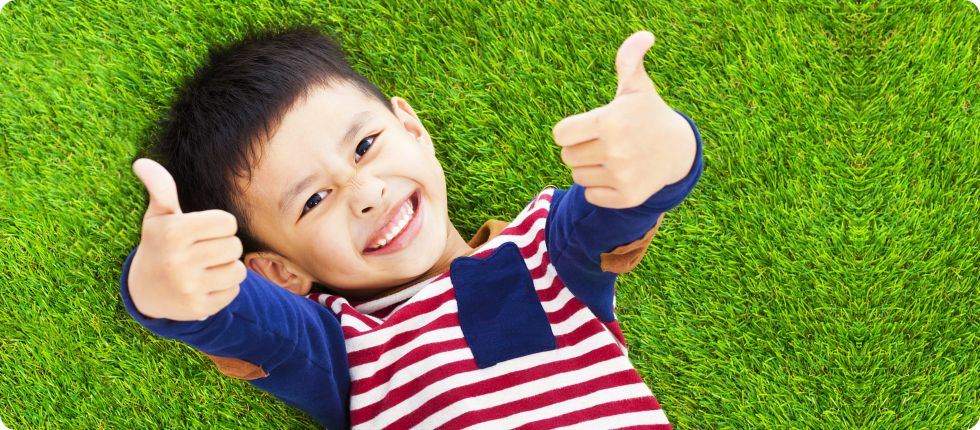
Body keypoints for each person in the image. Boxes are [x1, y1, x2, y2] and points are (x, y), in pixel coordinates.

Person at [120, 25, 702, 429]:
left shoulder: (545, 252)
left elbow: (618, 205)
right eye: (314, 199)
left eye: (366, 145)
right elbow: (233, 314)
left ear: (413, 128)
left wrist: (664, 151)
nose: (366, 193)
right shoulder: (336, 348)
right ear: (279, 271)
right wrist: (166, 287)